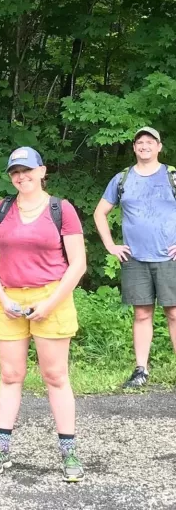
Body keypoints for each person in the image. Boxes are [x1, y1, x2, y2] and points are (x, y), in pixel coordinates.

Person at [0, 147, 86, 482]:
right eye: (15, 172)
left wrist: (50, 304)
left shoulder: (61, 210)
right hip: (8, 298)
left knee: (56, 376)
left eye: (27, 170)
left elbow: (78, 264)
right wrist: (2, 297)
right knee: (10, 376)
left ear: (42, 171)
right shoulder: (0, 209)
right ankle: (1, 449)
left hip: (52, 296)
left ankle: (69, 452)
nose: (21, 177)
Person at [93, 127, 176, 388]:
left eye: (150, 141)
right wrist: (110, 245)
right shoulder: (122, 179)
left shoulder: (172, 175)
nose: (144, 145)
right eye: (140, 142)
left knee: (174, 313)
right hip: (135, 258)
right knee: (141, 313)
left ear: (159, 147)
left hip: (169, 258)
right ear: (134, 148)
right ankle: (141, 370)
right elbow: (99, 213)